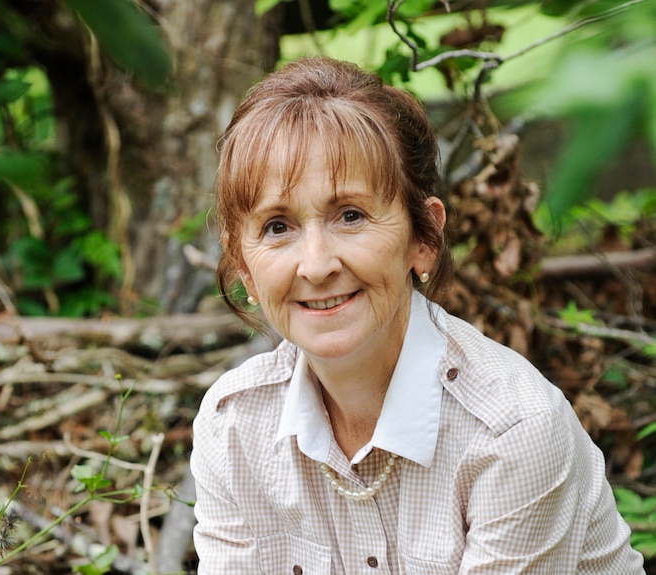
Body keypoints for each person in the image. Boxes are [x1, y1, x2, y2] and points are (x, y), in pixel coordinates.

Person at [190, 56, 644, 574]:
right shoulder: (233, 426)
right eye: (277, 226)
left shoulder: (512, 432)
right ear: (243, 267)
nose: (315, 266)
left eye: (351, 216)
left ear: (424, 238)